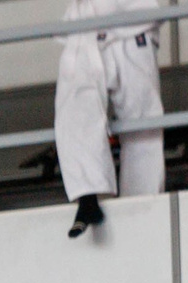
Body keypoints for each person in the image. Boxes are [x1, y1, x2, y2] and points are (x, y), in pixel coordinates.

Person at [57, 0, 164, 237]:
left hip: (132, 24)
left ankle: (143, 205)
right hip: (85, 28)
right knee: (75, 113)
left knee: (143, 124)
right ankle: (88, 197)